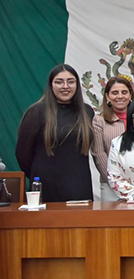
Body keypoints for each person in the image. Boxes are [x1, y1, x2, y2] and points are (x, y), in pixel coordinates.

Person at [16, 64, 95, 202]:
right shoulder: (36, 112)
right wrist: (41, 175)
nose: (65, 86)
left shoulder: (87, 111)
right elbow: (22, 154)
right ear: (51, 85)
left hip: (80, 187)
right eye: (59, 82)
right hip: (47, 188)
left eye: (70, 81)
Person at [91, 76, 134, 200]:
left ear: (130, 95)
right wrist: (116, 181)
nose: (120, 96)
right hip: (111, 186)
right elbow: (99, 154)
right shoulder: (99, 120)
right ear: (107, 97)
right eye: (115, 93)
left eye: (124, 92)